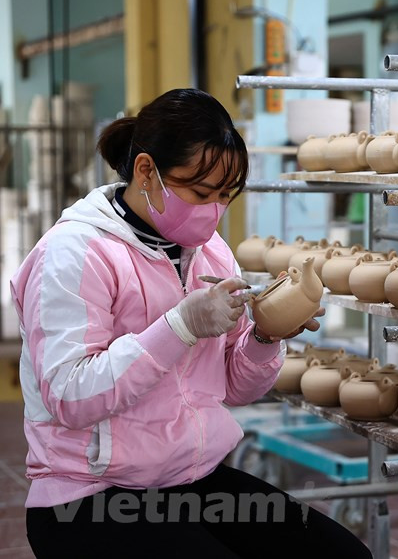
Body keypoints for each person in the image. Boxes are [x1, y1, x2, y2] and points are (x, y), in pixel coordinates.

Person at [12, 88, 371, 558]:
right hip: (86, 497)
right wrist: (178, 327)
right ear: (146, 171)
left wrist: (265, 336)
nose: (214, 210)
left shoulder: (210, 250)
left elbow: (237, 389)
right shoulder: (75, 253)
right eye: (201, 192)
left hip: (188, 480)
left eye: (225, 196)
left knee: (342, 556)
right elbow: (69, 396)